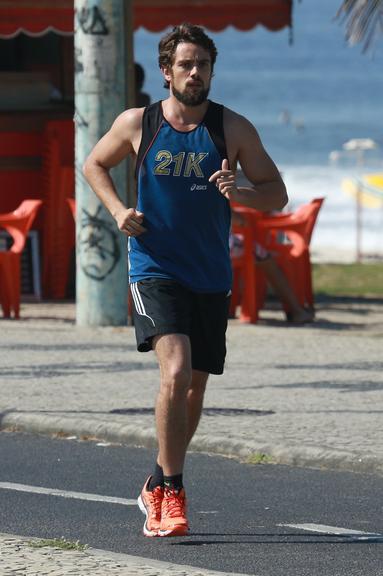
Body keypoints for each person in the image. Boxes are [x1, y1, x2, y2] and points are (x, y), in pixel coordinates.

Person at [83, 22, 288, 538]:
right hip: (154, 267)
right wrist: (116, 210)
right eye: (186, 65)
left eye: (204, 65)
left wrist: (240, 191)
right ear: (166, 72)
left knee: (193, 389)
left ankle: (155, 479)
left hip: (209, 275)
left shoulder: (232, 128)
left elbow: (276, 193)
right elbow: (94, 163)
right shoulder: (139, 123)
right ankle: (171, 494)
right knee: (175, 371)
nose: (196, 73)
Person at [230, 212, 314, 324]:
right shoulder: (218, 196)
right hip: (225, 245)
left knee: (259, 252)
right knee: (265, 258)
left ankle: (296, 310)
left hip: (210, 245)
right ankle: (297, 310)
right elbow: (241, 221)